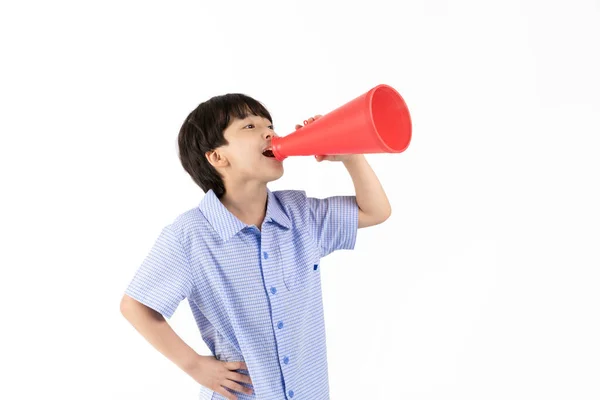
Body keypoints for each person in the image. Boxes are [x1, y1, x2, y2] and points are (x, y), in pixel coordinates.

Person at [120, 92, 392, 400]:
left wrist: (351, 155)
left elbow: (375, 211)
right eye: (249, 126)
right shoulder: (191, 234)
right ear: (217, 157)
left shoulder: (301, 215)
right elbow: (136, 305)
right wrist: (196, 366)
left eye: (270, 125)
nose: (270, 132)